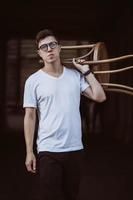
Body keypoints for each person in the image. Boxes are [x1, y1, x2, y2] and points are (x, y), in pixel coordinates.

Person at [23, 29, 106, 200]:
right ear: (39, 53)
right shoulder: (33, 81)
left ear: (59, 48)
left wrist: (86, 71)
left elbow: (100, 96)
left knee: (71, 196)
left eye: (52, 44)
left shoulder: (75, 76)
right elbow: (30, 116)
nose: (49, 49)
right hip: (48, 149)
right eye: (44, 47)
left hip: (75, 149)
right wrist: (29, 152)